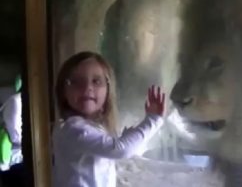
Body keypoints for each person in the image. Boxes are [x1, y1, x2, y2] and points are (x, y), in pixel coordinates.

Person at [52, 51, 165, 187]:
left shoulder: (83, 127)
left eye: (96, 81)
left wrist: (125, 137)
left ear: (108, 90)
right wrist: (153, 120)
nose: (87, 88)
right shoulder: (75, 129)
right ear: (63, 91)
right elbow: (121, 150)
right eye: (76, 82)